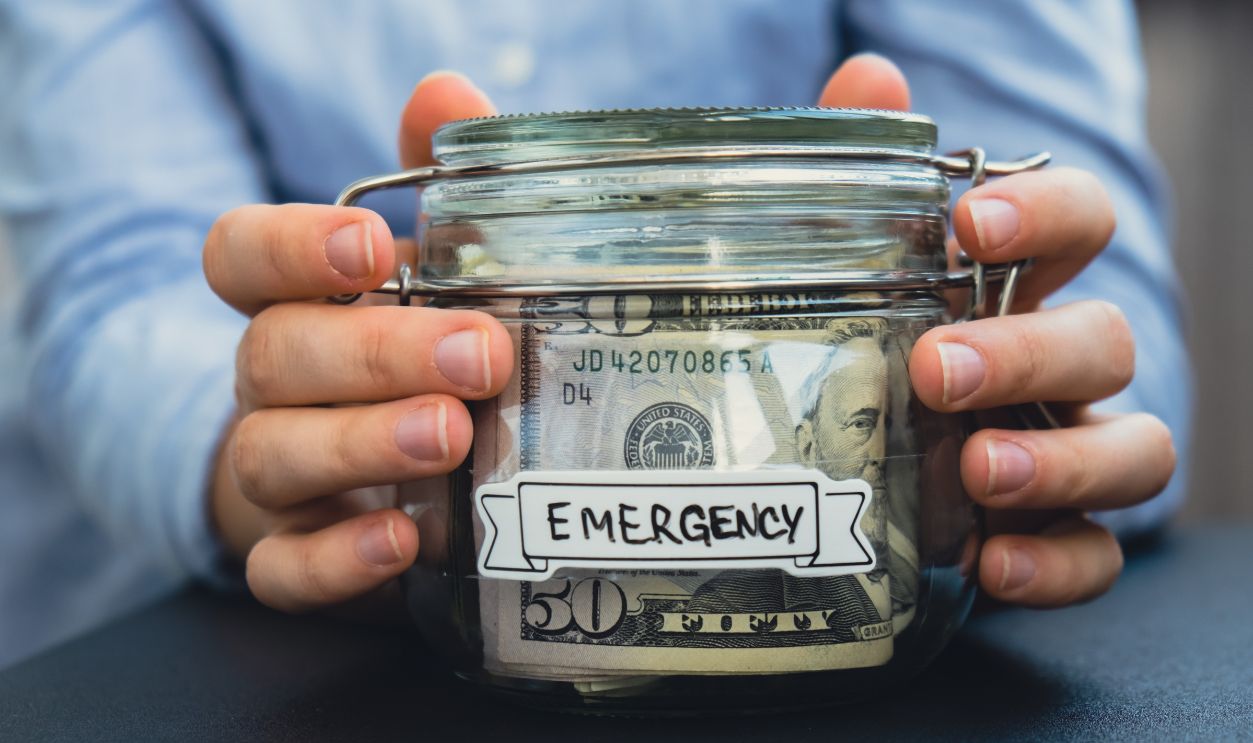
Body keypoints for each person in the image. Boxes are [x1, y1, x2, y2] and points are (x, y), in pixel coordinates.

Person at [0, 0, 1184, 668]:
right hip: (197, 637)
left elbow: (1107, 297)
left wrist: (1022, 403)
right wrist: (298, 452)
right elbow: (116, 280)